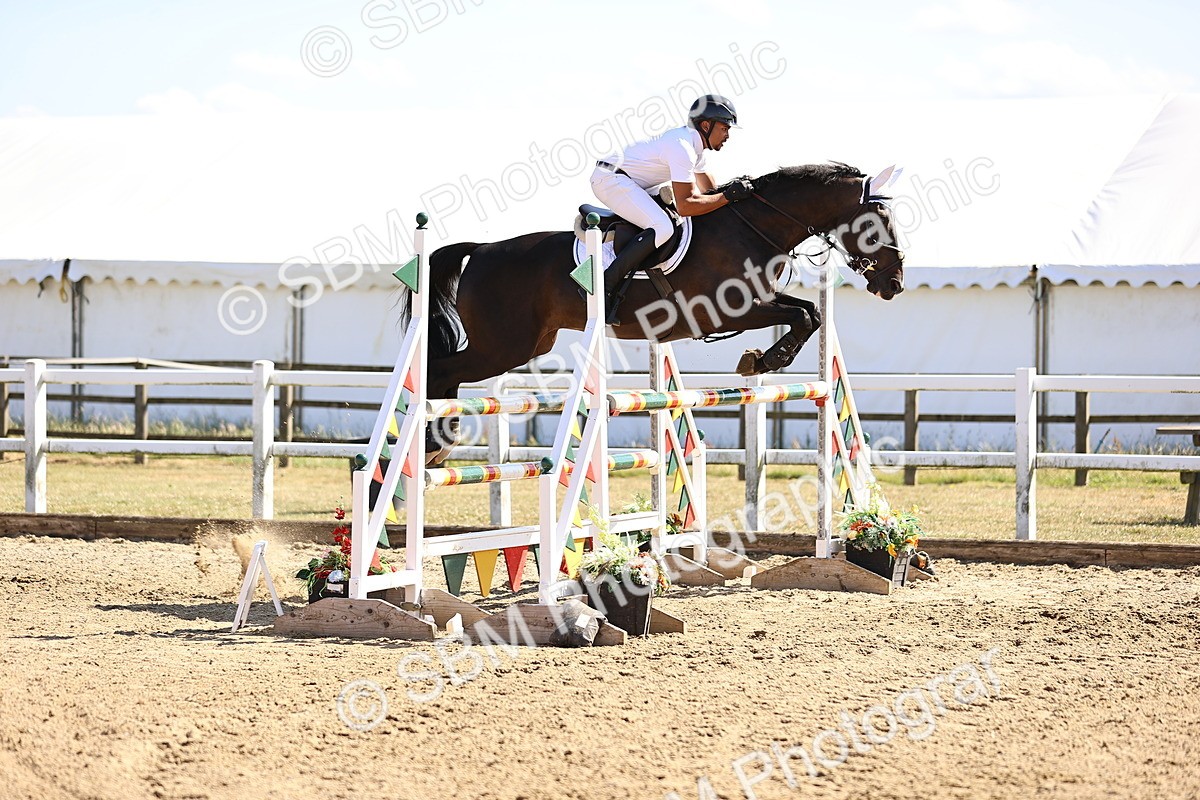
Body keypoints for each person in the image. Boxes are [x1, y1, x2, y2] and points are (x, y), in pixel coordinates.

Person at [590, 93, 754, 324]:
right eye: (725, 128)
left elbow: (709, 191)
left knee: (674, 220)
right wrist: (728, 197)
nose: (727, 135)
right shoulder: (682, 147)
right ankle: (603, 287)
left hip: (633, 181)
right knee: (663, 227)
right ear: (706, 125)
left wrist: (734, 199)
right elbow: (688, 205)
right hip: (610, 178)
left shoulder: (694, 149)